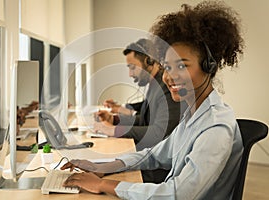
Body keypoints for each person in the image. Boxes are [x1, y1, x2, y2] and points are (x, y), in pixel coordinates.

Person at [61, 1, 245, 199]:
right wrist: (101, 166)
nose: (169, 76)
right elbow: (153, 155)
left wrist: (103, 184)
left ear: (209, 66)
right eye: (166, 66)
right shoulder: (194, 115)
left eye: (181, 66)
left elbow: (178, 194)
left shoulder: (216, 127)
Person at [94, 38, 184, 183]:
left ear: (149, 61)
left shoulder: (166, 88)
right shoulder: (155, 84)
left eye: (132, 67)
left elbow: (159, 132)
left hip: (161, 170)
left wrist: (116, 130)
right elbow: (145, 119)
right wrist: (115, 120)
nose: (130, 74)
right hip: (150, 158)